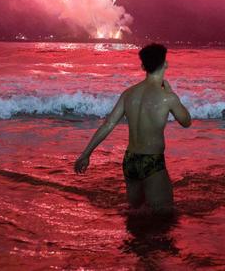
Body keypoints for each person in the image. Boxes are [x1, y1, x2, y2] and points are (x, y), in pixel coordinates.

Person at [74, 43, 191, 212]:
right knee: (164, 215)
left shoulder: (128, 94)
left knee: (135, 213)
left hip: (130, 161)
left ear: (143, 66)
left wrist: (86, 154)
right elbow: (186, 122)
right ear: (165, 64)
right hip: (152, 160)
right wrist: (172, 93)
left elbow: (108, 124)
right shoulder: (168, 97)